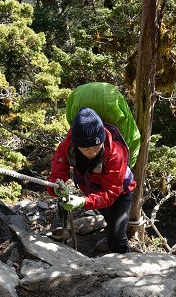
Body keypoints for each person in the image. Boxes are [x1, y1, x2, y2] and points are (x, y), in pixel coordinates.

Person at [48, 107, 136, 255]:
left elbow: (110, 193)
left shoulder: (116, 153)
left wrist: (84, 202)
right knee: (109, 216)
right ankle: (111, 233)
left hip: (120, 193)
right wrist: (56, 188)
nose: (92, 152)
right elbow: (56, 174)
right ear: (76, 144)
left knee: (117, 240)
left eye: (96, 146)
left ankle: (122, 260)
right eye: (86, 148)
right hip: (92, 188)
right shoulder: (67, 146)